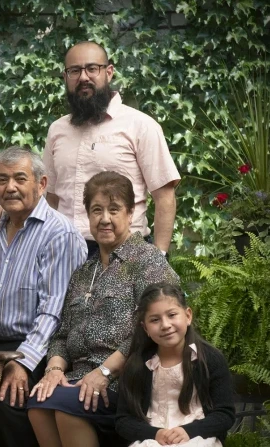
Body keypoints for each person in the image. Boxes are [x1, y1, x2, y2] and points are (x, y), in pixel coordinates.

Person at [26, 171, 179, 447]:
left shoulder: (148, 263)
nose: (104, 218)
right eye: (96, 210)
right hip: (77, 379)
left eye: (114, 209)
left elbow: (152, 332)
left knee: (66, 406)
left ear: (131, 213)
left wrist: (104, 373)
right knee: (38, 402)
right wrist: (54, 370)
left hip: (124, 380)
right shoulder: (84, 271)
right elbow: (61, 334)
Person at [0, 146, 87, 447]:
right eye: (2, 180)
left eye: (20, 178)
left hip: (36, 348)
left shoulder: (59, 234)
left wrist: (23, 362)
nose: (10, 187)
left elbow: (54, 312)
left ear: (41, 184)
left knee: (7, 404)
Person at [43, 41, 181, 258]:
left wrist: (159, 257)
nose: (83, 77)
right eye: (75, 71)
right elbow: (50, 197)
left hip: (125, 251)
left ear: (108, 72)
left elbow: (164, 196)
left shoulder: (140, 125)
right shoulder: (57, 130)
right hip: (63, 251)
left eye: (92, 68)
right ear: (65, 77)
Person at [116, 283, 235, 447]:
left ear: (188, 316)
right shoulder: (137, 365)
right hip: (152, 440)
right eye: (155, 320)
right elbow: (123, 421)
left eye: (172, 315)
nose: (165, 325)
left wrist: (189, 431)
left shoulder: (209, 359)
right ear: (145, 328)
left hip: (198, 437)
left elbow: (225, 414)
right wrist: (155, 433)